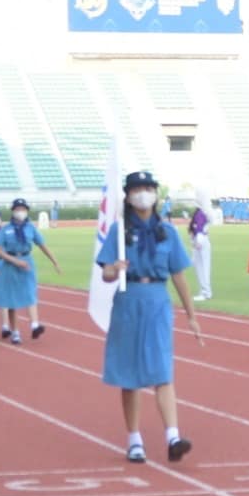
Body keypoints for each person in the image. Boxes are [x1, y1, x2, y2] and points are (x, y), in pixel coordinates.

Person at [95, 170, 202, 463]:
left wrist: (191, 315)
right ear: (128, 196)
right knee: (129, 373)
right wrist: (115, 268)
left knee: (162, 370)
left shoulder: (167, 232)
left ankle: (173, 437)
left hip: (157, 301)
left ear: (156, 194)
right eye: (137, 189)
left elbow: (179, 275)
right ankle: (134, 439)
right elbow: (105, 273)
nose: (143, 194)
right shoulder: (119, 231)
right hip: (129, 300)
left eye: (148, 188)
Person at [0, 197, 58, 341]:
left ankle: (35, 325)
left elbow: (42, 245)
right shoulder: (6, 229)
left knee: (30, 291)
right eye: (17, 209)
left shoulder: (30, 228)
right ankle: (15, 332)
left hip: (27, 261)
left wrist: (54, 261)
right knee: (12, 299)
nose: (20, 212)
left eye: (23, 209)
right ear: (13, 211)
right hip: (10, 263)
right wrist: (14, 261)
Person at [187, 190, 214, 301]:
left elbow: (199, 229)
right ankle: (205, 290)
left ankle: (205, 291)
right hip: (201, 240)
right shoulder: (202, 212)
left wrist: (197, 242)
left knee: (202, 267)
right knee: (201, 266)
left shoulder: (200, 213)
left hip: (201, 241)